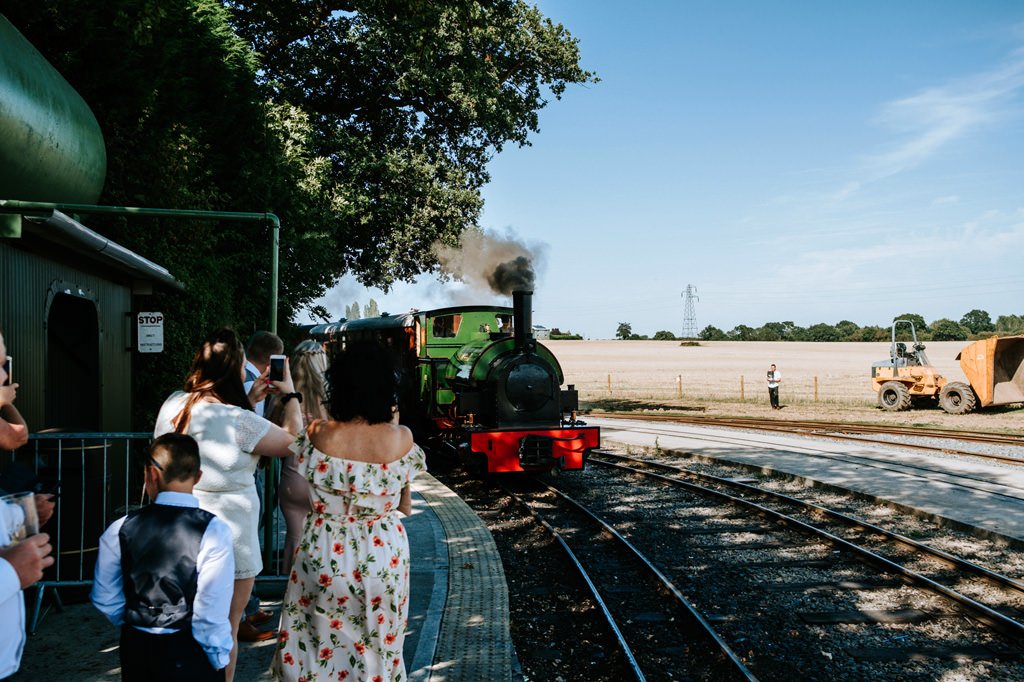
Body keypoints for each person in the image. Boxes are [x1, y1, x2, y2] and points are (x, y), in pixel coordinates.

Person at [153, 328, 303, 682]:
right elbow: (294, 442)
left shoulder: (173, 404)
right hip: (232, 541)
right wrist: (291, 394)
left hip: (175, 535)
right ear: (235, 370)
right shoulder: (240, 421)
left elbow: (212, 428)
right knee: (224, 631)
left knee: (178, 626)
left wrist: (249, 400)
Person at [271, 342, 426, 682]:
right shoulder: (402, 438)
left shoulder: (319, 434)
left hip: (324, 551)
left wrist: (291, 397)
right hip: (382, 556)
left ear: (338, 386)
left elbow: (293, 437)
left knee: (313, 647)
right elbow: (404, 504)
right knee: (379, 649)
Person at [91, 433, 235, 681]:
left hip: (137, 646)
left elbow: (105, 597)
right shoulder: (214, 530)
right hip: (190, 648)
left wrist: (137, 623)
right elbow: (211, 609)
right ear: (198, 476)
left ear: (151, 475)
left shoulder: (120, 528)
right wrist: (218, 657)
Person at [266, 340, 328, 575]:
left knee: (294, 537)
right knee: (324, 538)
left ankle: (290, 591)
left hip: (292, 480)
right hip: (324, 479)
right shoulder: (332, 399)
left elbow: (269, 429)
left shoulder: (283, 398)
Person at [240, 331, 285, 639]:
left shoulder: (248, 379)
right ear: (271, 361)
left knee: (248, 543)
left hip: (246, 472)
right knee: (244, 546)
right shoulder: (247, 382)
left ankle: (250, 603)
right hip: (242, 474)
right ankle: (241, 614)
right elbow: (249, 431)